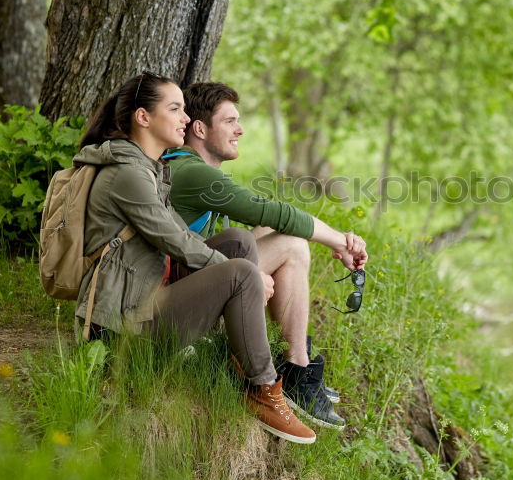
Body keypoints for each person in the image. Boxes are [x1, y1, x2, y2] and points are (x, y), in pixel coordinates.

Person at [73, 71, 315, 444]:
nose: (185, 119)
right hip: (122, 329)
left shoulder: (150, 169)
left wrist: (239, 266)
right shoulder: (128, 175)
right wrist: (249, 277)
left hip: (143, 300)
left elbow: (184, 236)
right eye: (175, 109)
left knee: (237, 243)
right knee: (240, 272)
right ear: (144, 117)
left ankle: (241, 358)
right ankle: (265, 389)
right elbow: (177, 241)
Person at [165, 82, 369, 430]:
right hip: (174, 303)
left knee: (264, 235)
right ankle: (296, 369)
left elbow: (264, 221)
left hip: (185, 282)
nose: (240, 129)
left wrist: (337, 239)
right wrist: (338, 241)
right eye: (230, 121)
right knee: (292, 244)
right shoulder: (192, 173)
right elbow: (274, 211)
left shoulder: (186, 167)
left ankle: (292, 362)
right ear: (200, 129)